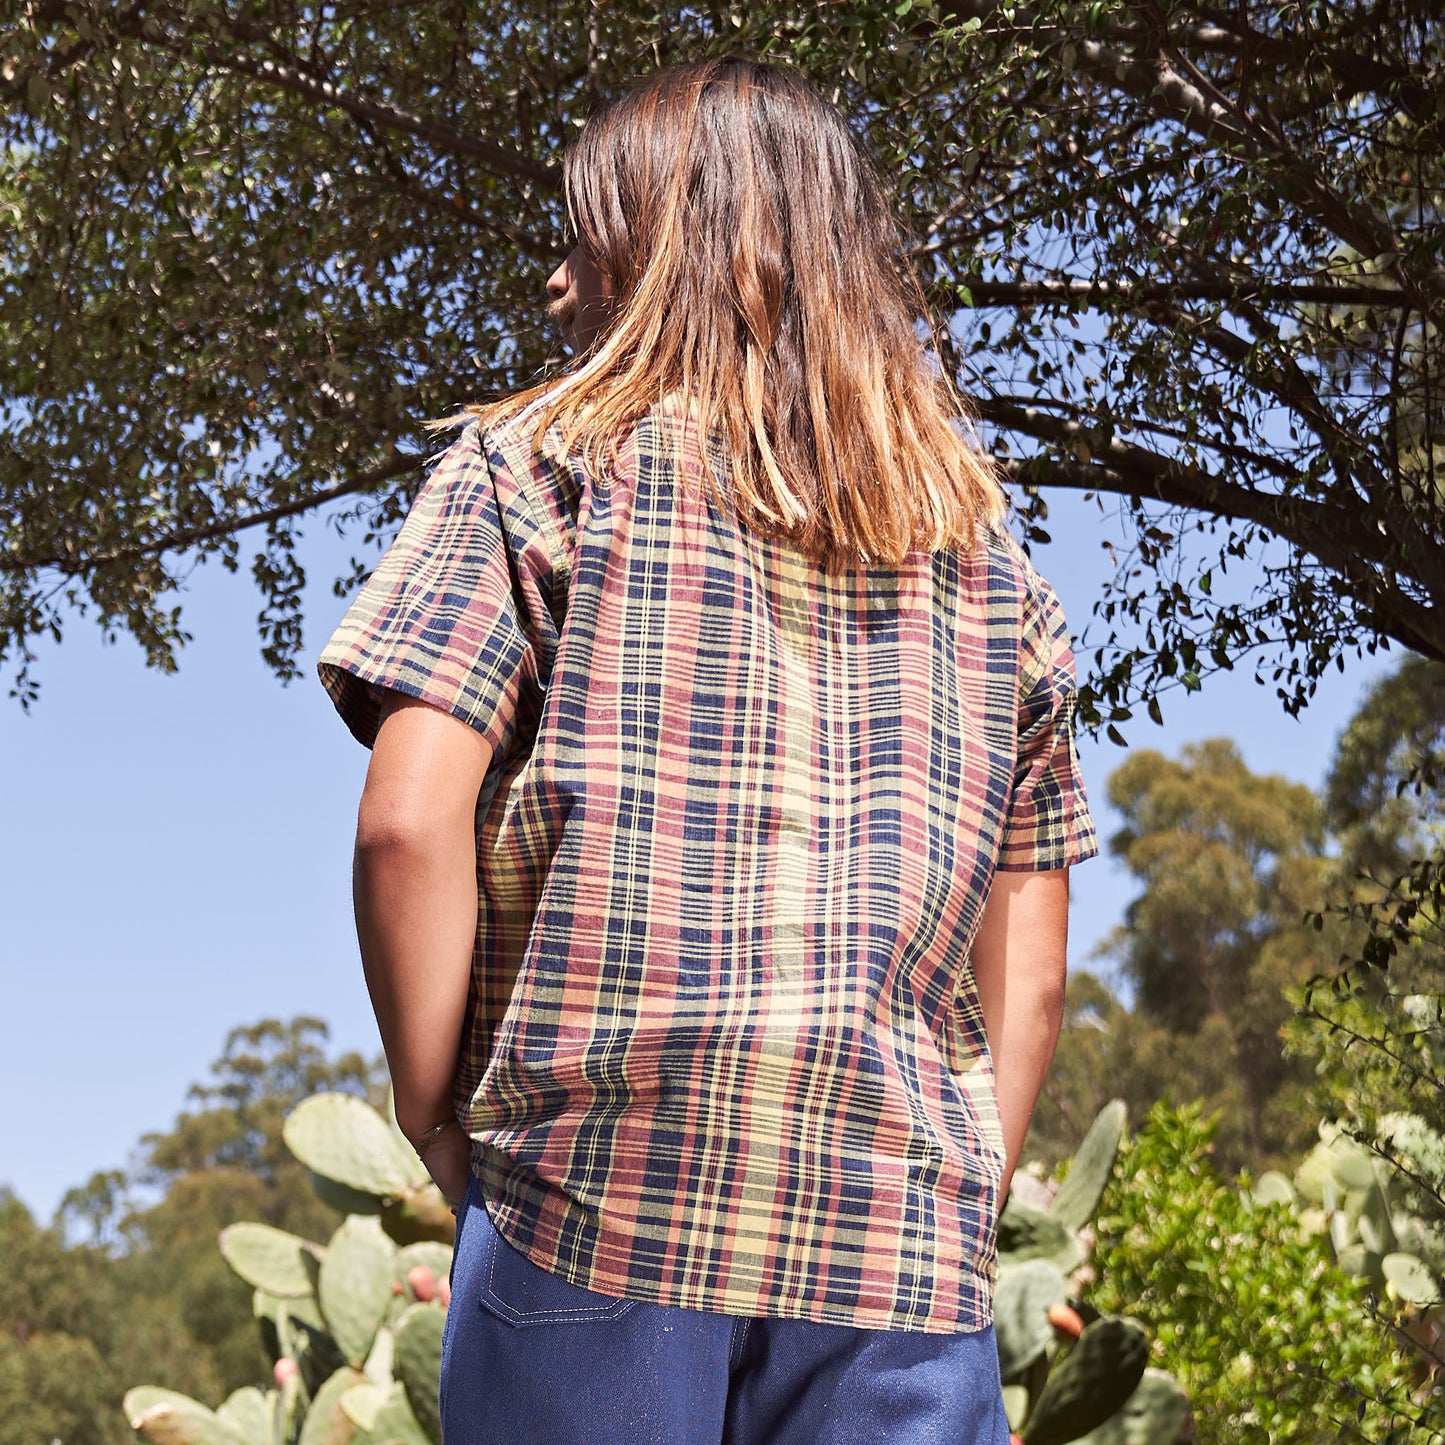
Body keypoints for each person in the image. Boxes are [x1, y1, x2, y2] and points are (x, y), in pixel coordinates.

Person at [318, 56, 1098, 1445]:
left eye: (582, 241)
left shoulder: (531, 471)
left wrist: (437, 1117)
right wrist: (949, 1204)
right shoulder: (996, 583)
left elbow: (403, 826)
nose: (555, 285)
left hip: (595, 1193)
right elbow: (1025, 983)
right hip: (891, 1238)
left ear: (669, 251)